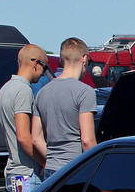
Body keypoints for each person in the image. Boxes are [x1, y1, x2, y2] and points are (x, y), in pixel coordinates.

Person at [33, 37, 97, 179]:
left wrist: (52, 159)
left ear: (61, 60)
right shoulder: (84, 91)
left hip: (50, 169)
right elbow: (87, 140)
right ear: (84, 59)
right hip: (74, 169)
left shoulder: (42, 92)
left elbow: (36, 138)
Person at [0, 44, 51, 192]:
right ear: (36, 63)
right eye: (44, 67)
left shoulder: (6, 89)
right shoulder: (23, 91)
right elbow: (23, 137)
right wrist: (44, 161)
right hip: (27, 175)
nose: (42, 74)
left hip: (16, 172)